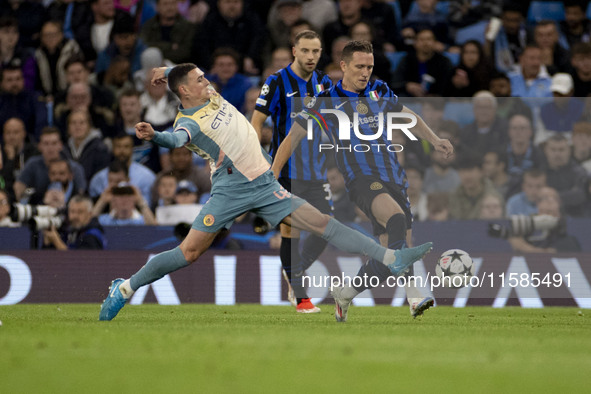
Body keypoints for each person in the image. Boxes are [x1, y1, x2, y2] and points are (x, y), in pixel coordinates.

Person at [98, 62, 433, 321]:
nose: (207, 81)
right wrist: (154, 136)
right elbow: (175, 141)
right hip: (231, 188)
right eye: (199, 79)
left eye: (204, 76)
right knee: (189, 253)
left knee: (321, 222)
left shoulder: (208, 93)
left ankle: (392, 257)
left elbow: (183, 77)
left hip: (263, 183)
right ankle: (125, 287)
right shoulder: (188, 122)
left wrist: (167, 71)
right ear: (185, 92)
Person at [271, 40, 453, 321]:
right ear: (343, 66)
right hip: (362, 180)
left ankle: (345, 293)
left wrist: (435, 139)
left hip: (394, 178)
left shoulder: (379, 90)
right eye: (359, 66)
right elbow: (292, 138)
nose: (365, 72)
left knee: (391, 253)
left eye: (369, 66)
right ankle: (415, 296)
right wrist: (273, 174)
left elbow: (408, 117)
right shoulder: (326, 101)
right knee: (395, 220)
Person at [250, 30, 334, 313]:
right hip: (285, 169)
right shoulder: (276, 82)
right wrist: (256, 159)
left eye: (316, 51)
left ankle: (293, 273)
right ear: (294, 50)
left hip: (316, 169)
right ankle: (300, 296)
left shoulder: (323, 82)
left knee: (327, 228)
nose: (311, 56)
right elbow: (257, 121)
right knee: (290, 229)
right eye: (306, 51)